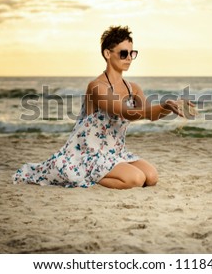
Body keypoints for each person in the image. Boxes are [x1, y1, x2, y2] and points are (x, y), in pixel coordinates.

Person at [12, 25, 188, 189]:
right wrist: (164, 104)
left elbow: (150, 114)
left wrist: (170, 106)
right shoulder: (97, 87)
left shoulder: (132, 88)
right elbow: (127, 112)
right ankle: (86, 177)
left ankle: (105, 173)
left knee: (151, 176)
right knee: (135, 179)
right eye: (123, 53)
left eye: (132, 53)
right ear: (107, 53)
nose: (128, 58)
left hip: (116, 153)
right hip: (90, 155)